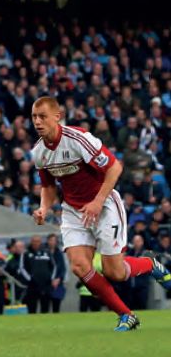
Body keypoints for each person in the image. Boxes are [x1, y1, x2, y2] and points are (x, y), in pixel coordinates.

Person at [31, 96, 171, 332]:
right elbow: (48, 186)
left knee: (114, 272)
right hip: (74, 211)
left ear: (58, 116)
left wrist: (97, 202)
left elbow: (115, 167)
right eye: (34, 117)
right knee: (79, 266)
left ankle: (150, 263)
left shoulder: (79, 139)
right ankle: (127, 315)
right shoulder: (39, 152)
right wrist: (44, 208)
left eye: (42, 116)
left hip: (104, 205)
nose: (37, 121)